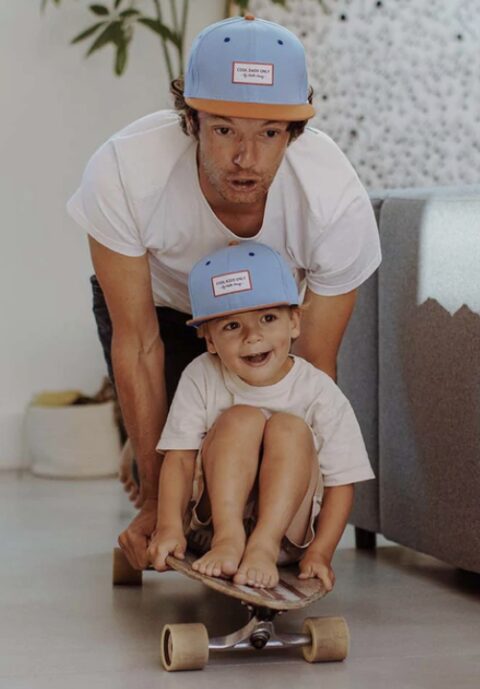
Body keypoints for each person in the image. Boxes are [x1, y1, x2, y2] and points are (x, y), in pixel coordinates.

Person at [66, 15, 381, 571]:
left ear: (295, 133)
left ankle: (178, 439)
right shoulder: (123, 171)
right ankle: (146, 436)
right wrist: (158, 494)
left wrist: (292, 513)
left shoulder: (334, 201)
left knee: (262, 439)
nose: (245, 159)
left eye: (268, 133)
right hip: (163, 310)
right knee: (177, 480)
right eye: (224, 130)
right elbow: (138, 343)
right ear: (191, 120)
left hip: (261, 320)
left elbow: (313, 364)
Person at [147, 242, 374, 590]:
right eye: (231, 326)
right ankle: (229, 539)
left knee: (289, 428)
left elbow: (341, 483)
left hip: (285, 539)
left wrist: (321, 553)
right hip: (211, 530)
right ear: (209, 340)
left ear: (294, 322)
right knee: (241, 418)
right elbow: (179, 459)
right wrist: (168, 527)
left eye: (268, 318)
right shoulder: (201, 375)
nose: (253, 337)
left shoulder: (318, 391)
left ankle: (262, 545)